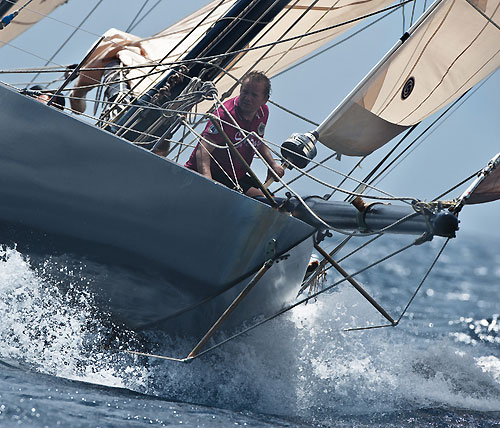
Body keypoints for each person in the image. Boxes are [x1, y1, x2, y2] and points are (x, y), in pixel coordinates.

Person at [184, 71, 284, 197]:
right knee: (260, 198)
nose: (247, 98)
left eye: (254, 95)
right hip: (211, 170)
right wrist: (206, 179)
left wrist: (272, 164)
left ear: (264, 100)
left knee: (272, 201)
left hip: (236, 175)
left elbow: (257, 140)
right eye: (245, 92)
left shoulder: (263, 112)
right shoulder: (224, 115)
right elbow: (203, 149)